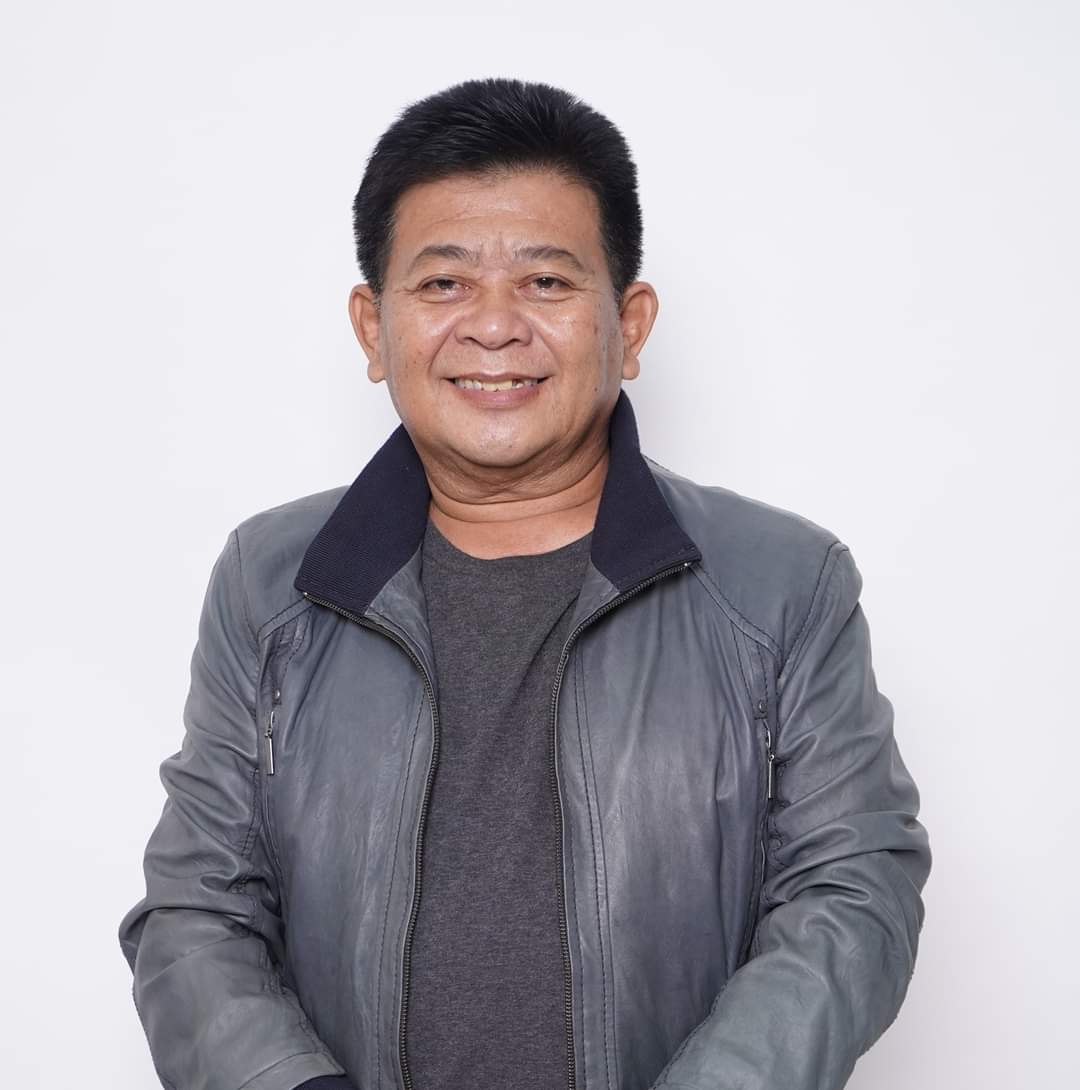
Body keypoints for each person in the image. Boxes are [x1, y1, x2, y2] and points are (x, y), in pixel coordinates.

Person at [118, 77, 931, 1090]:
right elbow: (196, 909)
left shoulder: (781, 584)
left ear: (630, 325)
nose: (495, 326)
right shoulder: (273, 583)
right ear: (372, 327)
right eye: (443, 284)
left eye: (546, 281)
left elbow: (852, 891)